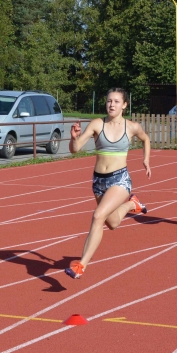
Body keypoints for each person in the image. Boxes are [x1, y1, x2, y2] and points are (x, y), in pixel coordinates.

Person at [65, 88, 151, 279]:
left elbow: (146, 139)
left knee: (98, 216)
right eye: (109, 101)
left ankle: (81, 265)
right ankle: (132, 204)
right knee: (112, 223)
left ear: (124, 105)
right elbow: (75, 149)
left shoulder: (132, 127)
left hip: (119, 179)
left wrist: (146, 159)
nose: (111, 104)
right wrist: (73, 138)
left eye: (116, 101)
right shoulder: (97, 124)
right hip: (98, 181)